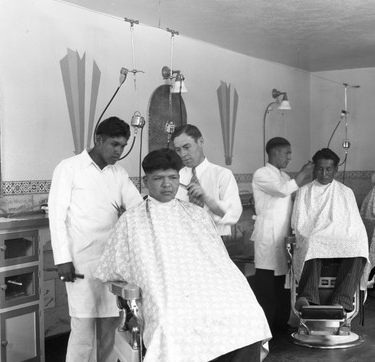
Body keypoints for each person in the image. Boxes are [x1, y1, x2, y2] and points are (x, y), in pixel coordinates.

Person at [95, 149, 271, 362]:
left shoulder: (197, 214)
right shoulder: (131, 220)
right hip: (167, 297)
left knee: (248, 313)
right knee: (171, 324)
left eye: (173, 178)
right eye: (158, 179)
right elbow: (112, 269)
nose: (167, 184)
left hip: (208, 292)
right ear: (145, 180)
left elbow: (219, 262)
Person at [48, 116, 143, 362]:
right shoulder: (68, 168)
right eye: (114, 144)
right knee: (83, 328)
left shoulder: (118, 173)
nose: (119, 151)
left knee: (111, 325)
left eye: (122, 146)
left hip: (112, 262)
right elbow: (56, 217)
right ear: (98, 140)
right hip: (80, 262)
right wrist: (62, 260)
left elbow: (136, 208)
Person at [291, 148, 369, 312]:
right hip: (316, 239)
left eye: (328, 169)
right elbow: (299, 224)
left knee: (358, 244)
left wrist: (346, 236)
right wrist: (317, 233)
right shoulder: (305, 192)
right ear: (314, 168)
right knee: (313, 241)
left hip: (340, 240)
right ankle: (308, 299)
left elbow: (354, 224)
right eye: (319, 169)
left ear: (336, 170)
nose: (324, 173)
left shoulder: (346, 192)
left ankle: (341, 301)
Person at [251, 137, 314, 333]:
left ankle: (281, 324)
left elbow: (294, 191)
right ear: (275, 152)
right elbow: (281, 191)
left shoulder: (285, 176)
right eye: (287, 152)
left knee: (282, 284)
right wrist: (302, 174)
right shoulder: (261, 174)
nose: (290, 157)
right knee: (267, 284)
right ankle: (265, 327)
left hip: (283, 237)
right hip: (267, 237)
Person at [171, 124, 242, 236]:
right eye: (178, 150)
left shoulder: (222, 175)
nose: (183, 154)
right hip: (184, 239)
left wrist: (206, 199)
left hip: (214, 239)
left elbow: (232, 215)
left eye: (187, 147)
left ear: (201, 142)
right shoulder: (176, 176)